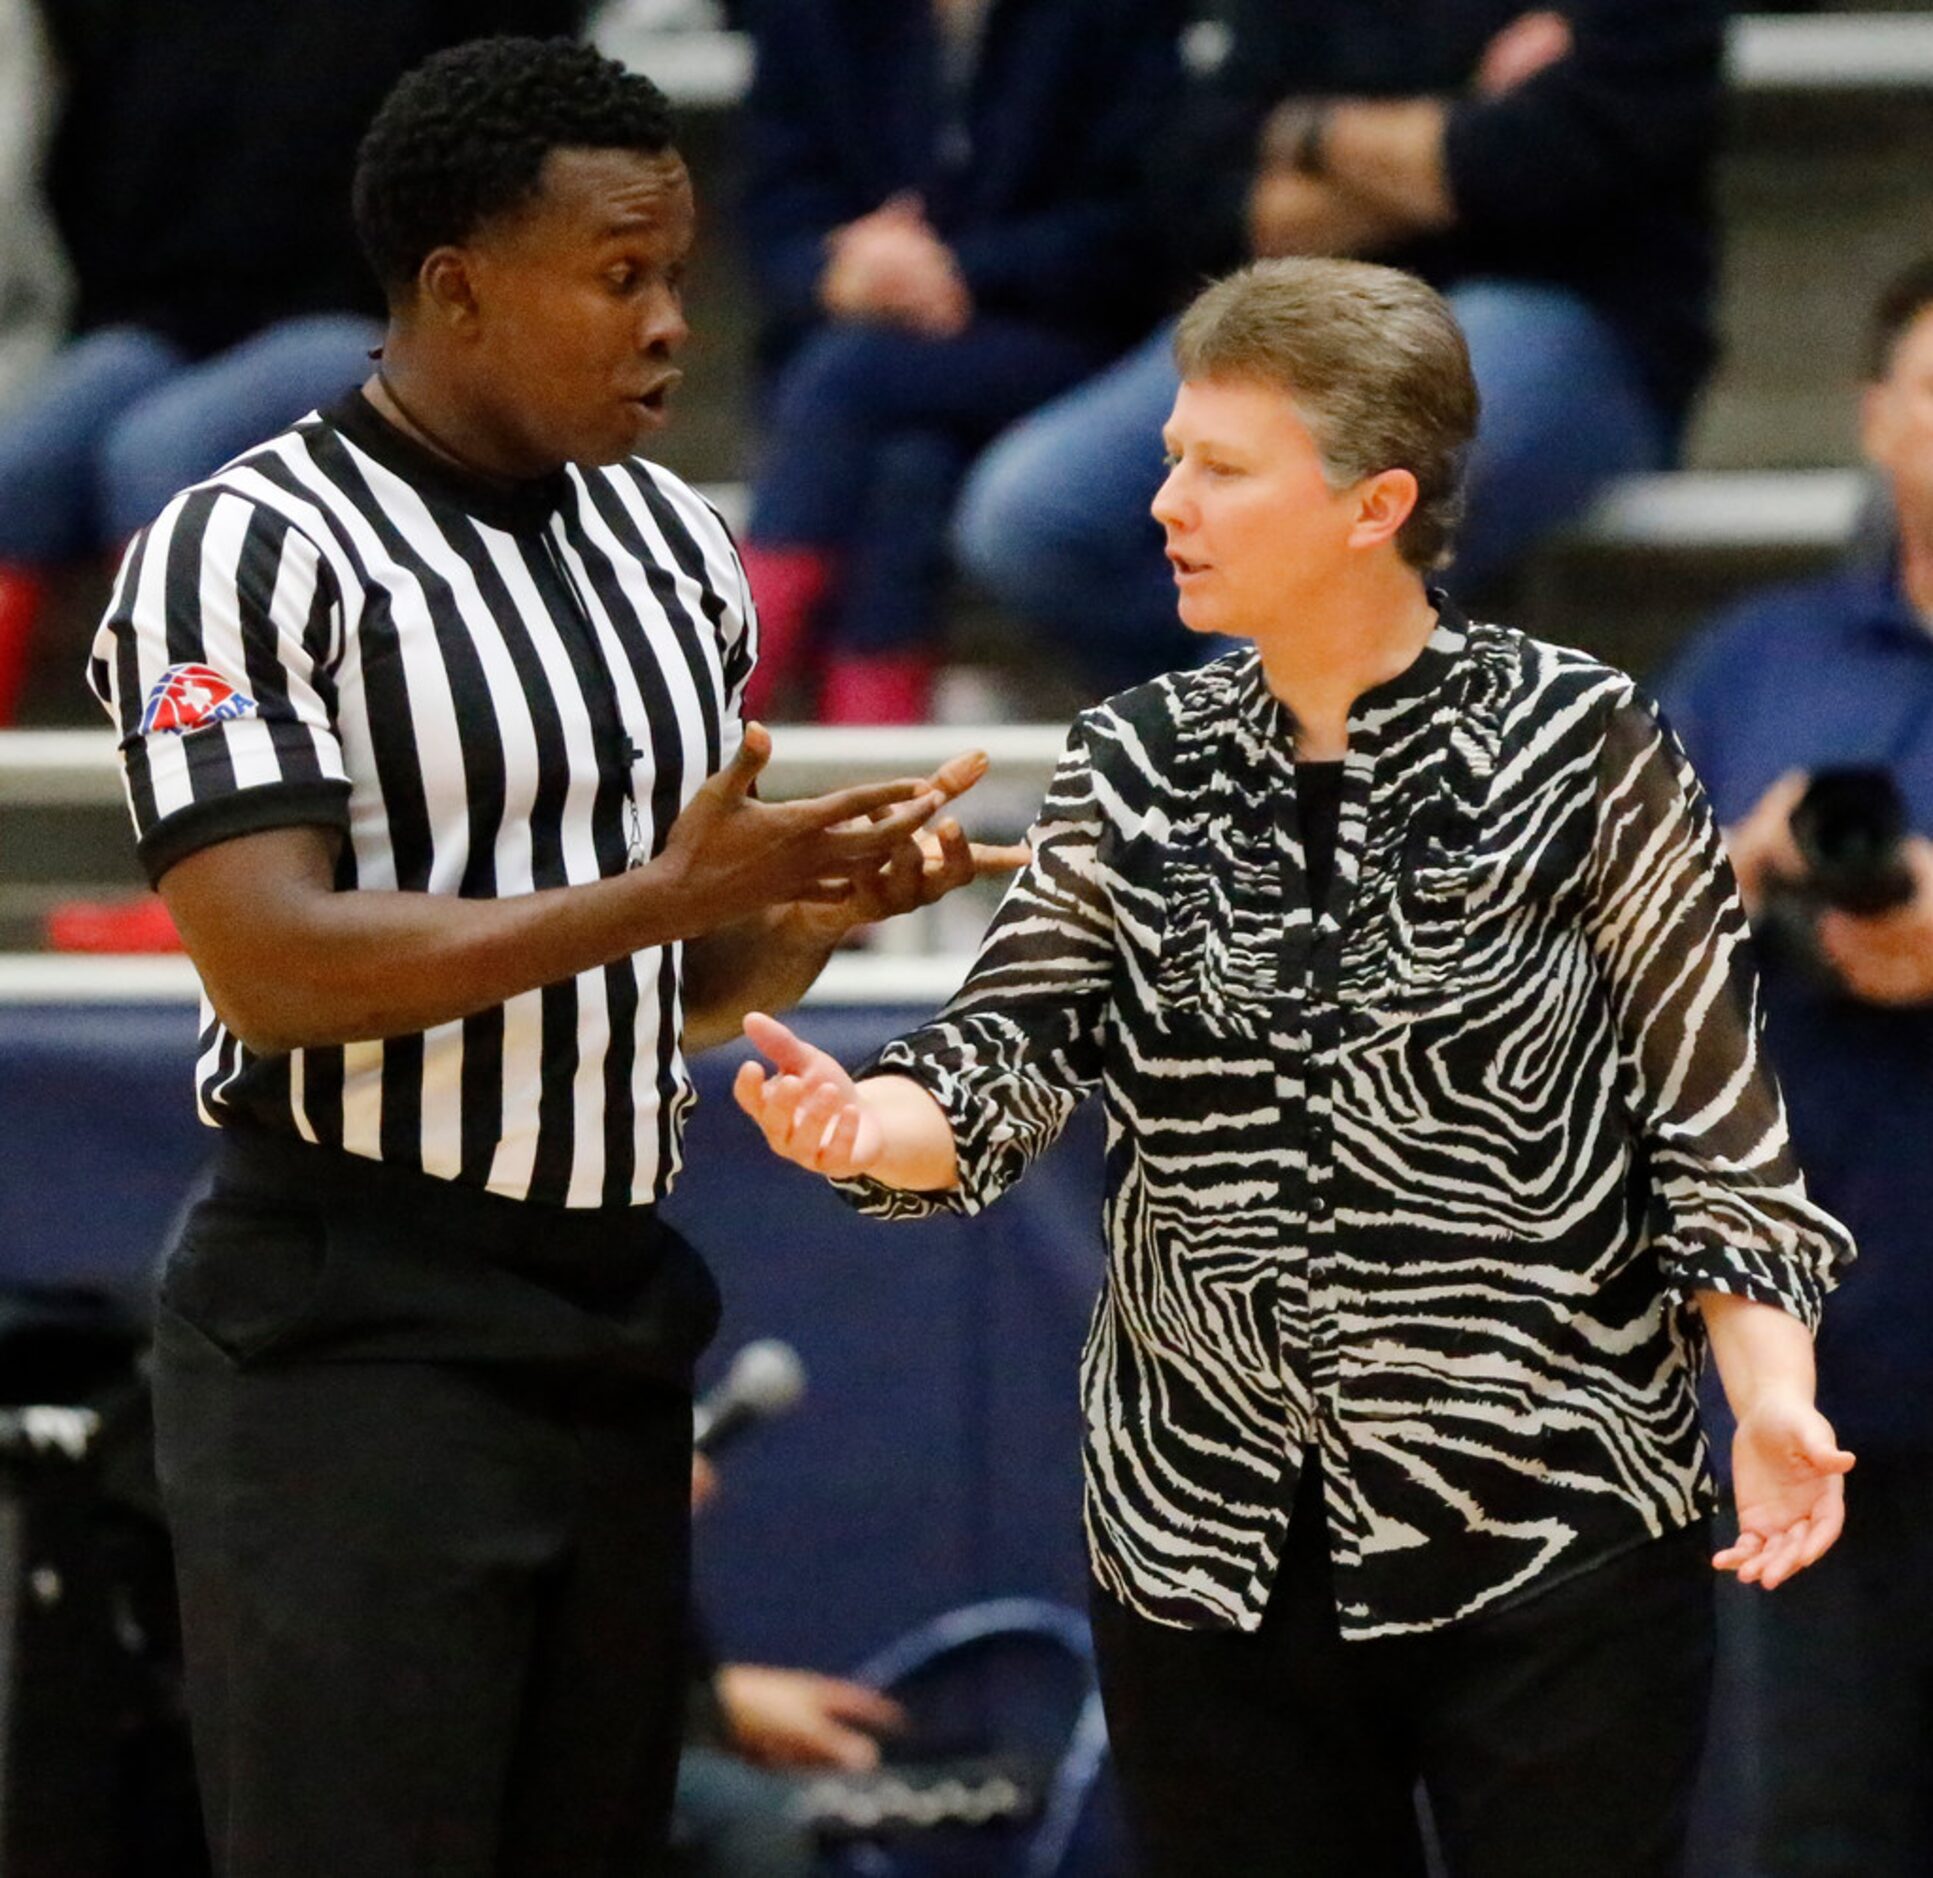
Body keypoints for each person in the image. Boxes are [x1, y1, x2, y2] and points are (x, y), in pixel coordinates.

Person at [733, 258, 1857, 1876]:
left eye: (1217, 466)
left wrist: (1768, 1392)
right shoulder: (1132, 761)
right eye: (1171, 452)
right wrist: (865, 1117)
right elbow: (1001, 1054)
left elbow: (1710, 1117)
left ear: (1371, 502)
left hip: (1549, 1512)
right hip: (1207, 1535)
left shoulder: (1583, 744)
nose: (1165, 499)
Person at [84, 36, 1017, 1876]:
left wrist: (788, 930)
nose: (670, 321)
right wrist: (662, 903)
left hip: (605, 1310)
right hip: (346, 1319)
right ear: (456, 287)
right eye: (617, 277)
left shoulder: (674, 553)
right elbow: (273, 961)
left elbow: (649, 981)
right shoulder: (242, 547)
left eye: (676, 274)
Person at [953, 0, 1724, 696]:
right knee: (1030, 513)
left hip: (1569, 326)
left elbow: (1541, 168)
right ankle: (1280, 745)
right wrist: (1447, 136)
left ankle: (1247, 794)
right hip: (1308, 317)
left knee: (1315, 528)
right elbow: (1208, 198)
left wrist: (1305, 132)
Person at [1657, 256, 1933, 1878]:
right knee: (1814, 1822)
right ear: (1870, 415)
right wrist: (1749, 868)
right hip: (1813, 1378)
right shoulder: (1758, 660)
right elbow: (1596, 956)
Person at [0, 0, 584, 725]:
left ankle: (202, 774)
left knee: (159, 453)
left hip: (372, 314)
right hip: (168, 316)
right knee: (18, 466)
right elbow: (89, 161)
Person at [733, 0, 1177, 723]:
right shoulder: (810, 16)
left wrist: (955, 270)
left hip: (1067, 346)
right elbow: (773, 208)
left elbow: (1140, 222)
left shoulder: (1112, 20)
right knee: (908, 469)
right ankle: (879, 796)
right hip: (867, 353)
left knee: (844, 382)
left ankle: (721, 695)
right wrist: (832, 270)